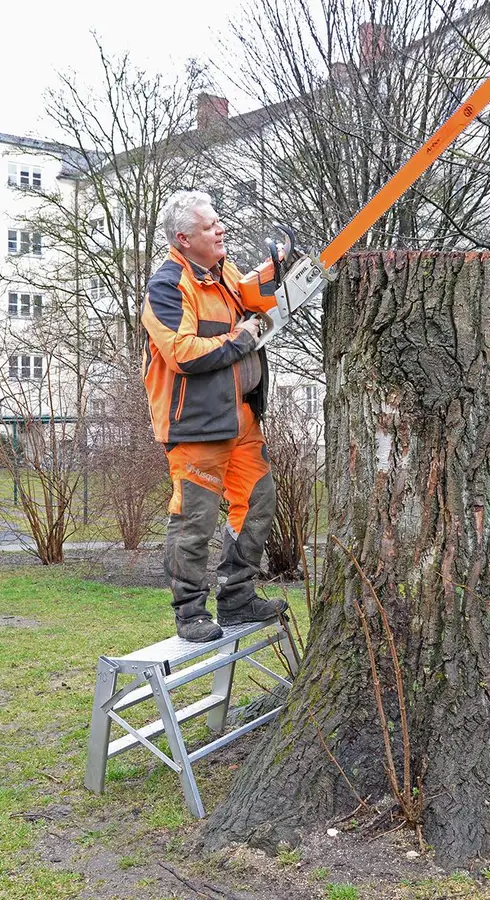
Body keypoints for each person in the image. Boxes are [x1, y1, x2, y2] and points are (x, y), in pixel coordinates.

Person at [141, 190, 288, 642]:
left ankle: (237, 595)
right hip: (196, 424)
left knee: (259, 500)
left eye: (218, 221)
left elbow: (250, 295)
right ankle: (189, 611)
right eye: (209, 226)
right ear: (184, 238)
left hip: (240, 414)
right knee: (194, 519)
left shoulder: (222, 272)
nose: (220, 229)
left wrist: (280, 268)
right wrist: (243, 338)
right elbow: (183, 353)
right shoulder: (168, 286)